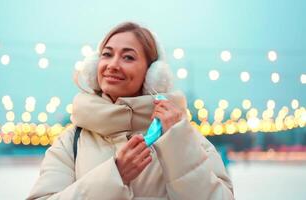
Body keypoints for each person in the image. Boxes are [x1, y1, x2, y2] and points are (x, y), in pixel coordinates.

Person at [28, 22, 234, 199]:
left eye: (128, 57)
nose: (113, 65)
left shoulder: (183, 135)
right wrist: (114, 175)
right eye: (107, 55)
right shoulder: (72, 140)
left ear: (153, 74)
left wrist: (177, 146)